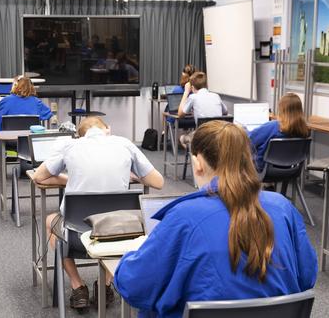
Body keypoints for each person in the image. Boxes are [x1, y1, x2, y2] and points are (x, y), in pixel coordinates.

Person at [114, 121, 317, 318]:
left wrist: (129, 257)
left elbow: (135, 286)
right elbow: (307, 277)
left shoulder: (184, 216)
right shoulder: (283, 208)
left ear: (198, 162)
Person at [33, 116, 164, 312]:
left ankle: (77, 286)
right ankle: (105, 284)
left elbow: (38, 176)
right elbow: (158, 182)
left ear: (80, 135)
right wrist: (134, 175)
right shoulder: (125, 144)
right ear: (108, 129)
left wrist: (69, 180)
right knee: (121, 222)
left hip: (76, 237)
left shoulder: (70, 146)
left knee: (50, 221)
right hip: (119, 235)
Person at [248, 93, 310, 172]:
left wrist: (243, 129)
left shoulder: (273, 126)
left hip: (262, 169)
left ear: (282, 110)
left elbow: (249, 139)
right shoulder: (304, 130)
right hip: (290, 170)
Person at [177, 71, 227, 144]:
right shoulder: (216, 96)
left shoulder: (193, 97)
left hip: (202, 137)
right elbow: (225, 112)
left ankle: (194, 154)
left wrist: (186, 92)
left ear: (192, 87)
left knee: (182, 138)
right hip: (217, 135)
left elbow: (180, 114)